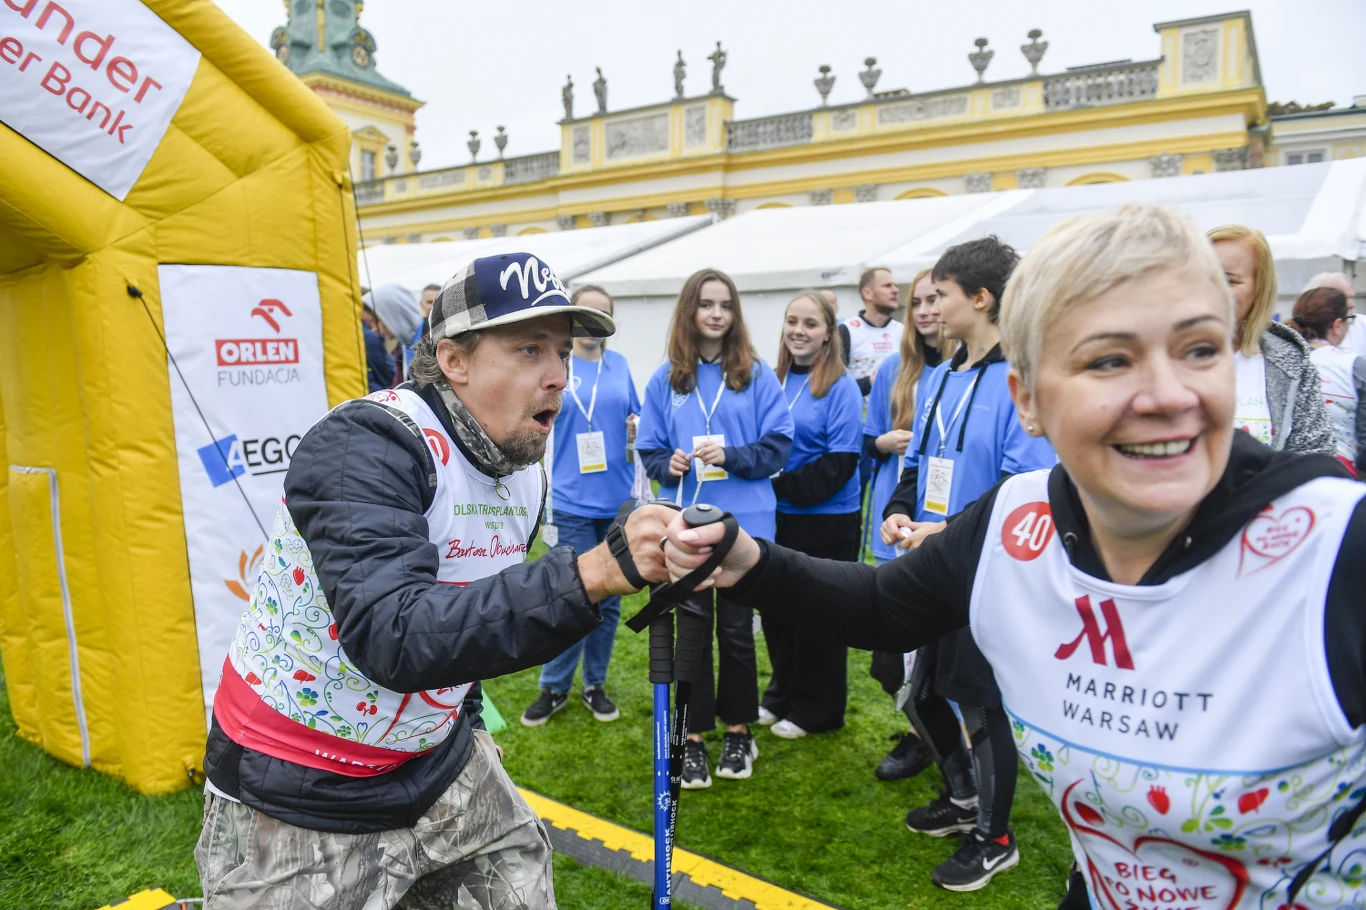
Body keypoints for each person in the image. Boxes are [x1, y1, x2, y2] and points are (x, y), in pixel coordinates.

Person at [664, 204, 1365, 908]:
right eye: (1110, 360)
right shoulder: (1020, 517)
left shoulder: (1335, 549)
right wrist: (750, 560)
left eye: (1200, 349)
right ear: (1028, 400)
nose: (1168, 395)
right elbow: (882, 608)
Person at [196, 252, 679, 909]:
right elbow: (394, 637)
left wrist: (469, 727)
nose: (558, 377)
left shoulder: (521, 467)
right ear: (454, 360)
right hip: (302, 782)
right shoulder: (364, 446)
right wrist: (590, 573)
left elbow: (473, 606)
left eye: (563, 352)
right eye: (530, 349)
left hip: (435, 762)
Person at [879, 236, 1056, 892]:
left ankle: (995, 836)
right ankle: (960, 799)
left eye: (941, 295)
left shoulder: (1020, 378)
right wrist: (901, 508)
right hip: (933, 555)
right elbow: (919, 463)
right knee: (906, 680)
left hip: (985, 564)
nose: (928, 308)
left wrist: (945, 531)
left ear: (979, 299)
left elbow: (1019, 486)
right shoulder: (941, 376)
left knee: (977, 701)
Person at [635, 268, 794, 788]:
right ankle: (696, 737)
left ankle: (739, 731)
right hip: (686, 523)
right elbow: (650, 449)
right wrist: (669, 465)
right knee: (693, 633)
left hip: (745, 525)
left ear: (735, 314)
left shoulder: (756, 372)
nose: (717, 313)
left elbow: (778, 445)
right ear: (691, 310)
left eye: (725, 305)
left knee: (737, 633)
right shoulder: (667, 378)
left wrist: (731, 454)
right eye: (706, 304)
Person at [522, 286, 641, 726]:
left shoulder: (621, 365)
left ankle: (595, 683)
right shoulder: (557, 367)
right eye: (589, 311)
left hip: (617, 500)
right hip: (571, 499)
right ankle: (553, 687)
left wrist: (635, 425)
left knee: (609, 601)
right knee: (569, 597)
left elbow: (637, 418)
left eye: (604, 312)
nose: (596, 320)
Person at [758, 292, 864, 739]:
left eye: (811, 324)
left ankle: (819, 708)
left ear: (829, 333)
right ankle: (782, 692)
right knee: (778, 612)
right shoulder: (771, 378)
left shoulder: (841, 387)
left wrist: (772, 486)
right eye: (792, 321)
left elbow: (838, 465)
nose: (799, 330)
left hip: (826, 521)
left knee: (818, 617)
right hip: (777, 516)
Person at [863, 269, 949, 782]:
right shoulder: (895, 369)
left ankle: (931, 737)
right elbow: (866, 438)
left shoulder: (979, 374)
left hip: (948, 521)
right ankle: (924, 725)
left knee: (947, 644)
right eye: (916, 301)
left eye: (935, 299)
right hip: (897, 511)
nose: (923, 311)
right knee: (897, 646)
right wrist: (885, 443)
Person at [1208, 225, 1334, 454]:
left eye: (1229, 280)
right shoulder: (1158, 355)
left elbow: (1316, 453)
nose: (1211, 289)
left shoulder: (1290, 362)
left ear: (1260, 289)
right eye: (1201, 276)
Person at [1290, 287, 1366, 477]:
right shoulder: (1355, 366)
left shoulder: (1276, 359)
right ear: (1337, 325)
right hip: (1338, 469)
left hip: (1282, 469)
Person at [838, 267, 905, 397]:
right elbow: (835, 385)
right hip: (860, 415)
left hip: (896, 414)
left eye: (895, 286)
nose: (895, 290)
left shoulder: (903, 331)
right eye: (887, 286)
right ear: (867, 293)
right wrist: (870, 382)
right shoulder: (847, 330)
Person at [362, 283, 422, 387]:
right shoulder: (401, 349)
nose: (374, 329)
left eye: (375, 321)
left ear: (392, 314)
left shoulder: (432, 341)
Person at [1306, 271, 1366, 358]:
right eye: (1344, 299)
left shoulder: (1362, 324)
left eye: (1351, 297)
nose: (1352, 304)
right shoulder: (1304, 329)